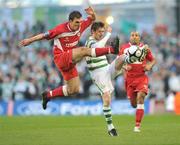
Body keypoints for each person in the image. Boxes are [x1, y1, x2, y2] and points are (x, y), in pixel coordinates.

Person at [19, 7, 120, 110]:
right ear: (70, 21)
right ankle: (112, 50)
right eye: (76, 22)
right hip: (61, 58)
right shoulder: (60, 29)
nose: (79, 25)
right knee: (84, 51)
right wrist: (29, 40)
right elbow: (43, 35)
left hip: (70, 61)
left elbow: (92, 19)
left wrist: (92, 14)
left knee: (74, 89)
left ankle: (48, 95)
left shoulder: (81, 26)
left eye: (80, 22)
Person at [85, 22, 147, 136]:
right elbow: (99, 47)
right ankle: (110, 128)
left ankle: (134, 58)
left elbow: (103, 48)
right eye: (99, 32)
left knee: (122, 57)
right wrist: (108, 34)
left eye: (102, 32)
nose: (101, 34)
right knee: (107, 98)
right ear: (92, 32)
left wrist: (124, 66)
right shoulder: (90, 42)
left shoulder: (98, 41)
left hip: (107, 69)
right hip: (98, 75)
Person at [119, 31, 156, 132]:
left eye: (136, 35)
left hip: (141, 78)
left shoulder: (145, 48)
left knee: (141, 97)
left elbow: (153, 60)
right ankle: (136, 109)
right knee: (133, 104)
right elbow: (118, 62)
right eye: (132, 35)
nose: (134, 37)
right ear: (129, 37)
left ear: (139, 38)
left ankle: (137, 126)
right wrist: (124, 66)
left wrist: (149, 66)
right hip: (130, 79)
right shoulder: (124, 48)